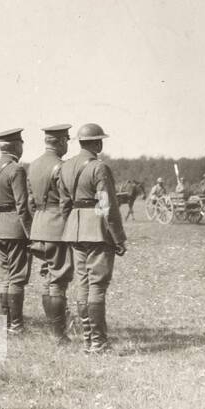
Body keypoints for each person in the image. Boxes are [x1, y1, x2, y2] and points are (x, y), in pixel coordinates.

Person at [59, 122, 126, 353]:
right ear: (97, 143)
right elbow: (107, 205)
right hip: (96, 230)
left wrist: (71, 227)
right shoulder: (99, 167)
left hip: (75, 230)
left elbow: (64, 204)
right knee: (97, 284)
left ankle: (89, 339)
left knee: (83, 283)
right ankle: (98, 342)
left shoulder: (66, 166)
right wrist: (118, 237)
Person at [27, 123, 72, 342]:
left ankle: (53, 330)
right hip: (57, 228)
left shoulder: (33, 165)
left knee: (47, 279)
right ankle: (59, 334)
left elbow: (29, 202)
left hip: (38, 227)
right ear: (61, 142)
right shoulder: (61, 167)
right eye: (67, 141)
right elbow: (66, 203)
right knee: (58, 281)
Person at [0, 127, 32, 333]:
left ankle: (7, 322)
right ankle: (16, 324)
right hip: (14, 227)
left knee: (5, 276)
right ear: (15, 145)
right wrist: (30, 233)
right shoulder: (16, 169)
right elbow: (22, 205)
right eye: (21, 143)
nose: (22, 147)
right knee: (17, 277)